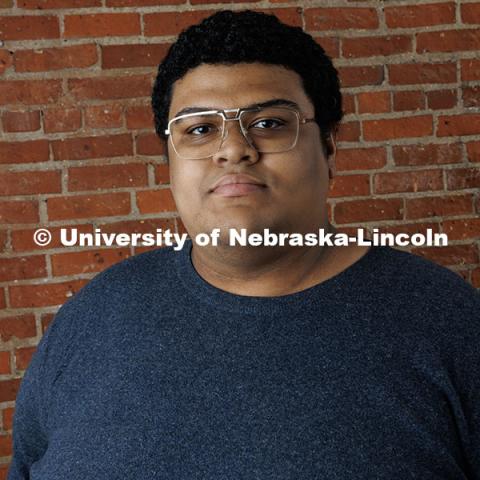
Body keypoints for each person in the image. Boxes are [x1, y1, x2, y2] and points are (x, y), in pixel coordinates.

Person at [8, 10, 480, 480]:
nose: (233, 148)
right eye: (199, 129)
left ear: (329, 148)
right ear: (169, 160)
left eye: (270, 123)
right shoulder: (91, 319)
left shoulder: (452, 327)